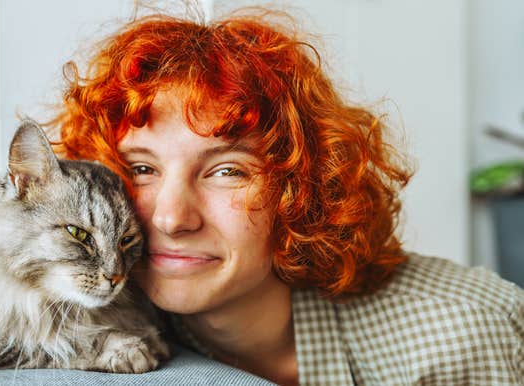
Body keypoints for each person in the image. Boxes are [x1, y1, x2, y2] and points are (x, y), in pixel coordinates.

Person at [49, 7, 524, 385]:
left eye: (227, 171)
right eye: (141, 169)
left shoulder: (458, 336)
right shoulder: (101, 320)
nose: (172, 219)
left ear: (299, 188)